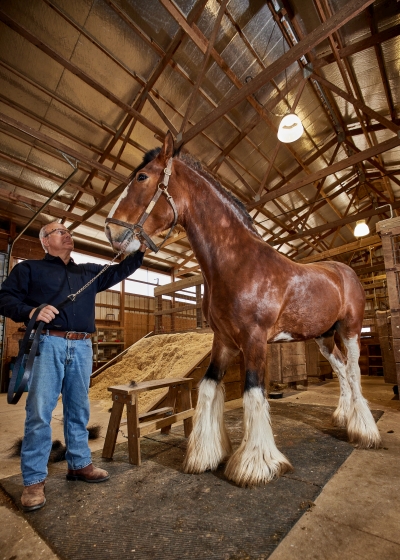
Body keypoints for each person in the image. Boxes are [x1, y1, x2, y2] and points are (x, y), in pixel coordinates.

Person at [0, 221, 145, 512]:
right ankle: (34, 480)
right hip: (48, 344)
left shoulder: (88, 272)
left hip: (82, 345)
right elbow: (4, 299)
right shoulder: (29, 269)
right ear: (44, 242)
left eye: (69, 231)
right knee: (40, 412)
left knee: (79, 408)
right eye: (59, 231)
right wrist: (31, 310)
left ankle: (79, 464)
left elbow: (120, 270)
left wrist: (138, 249)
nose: (68, 234)